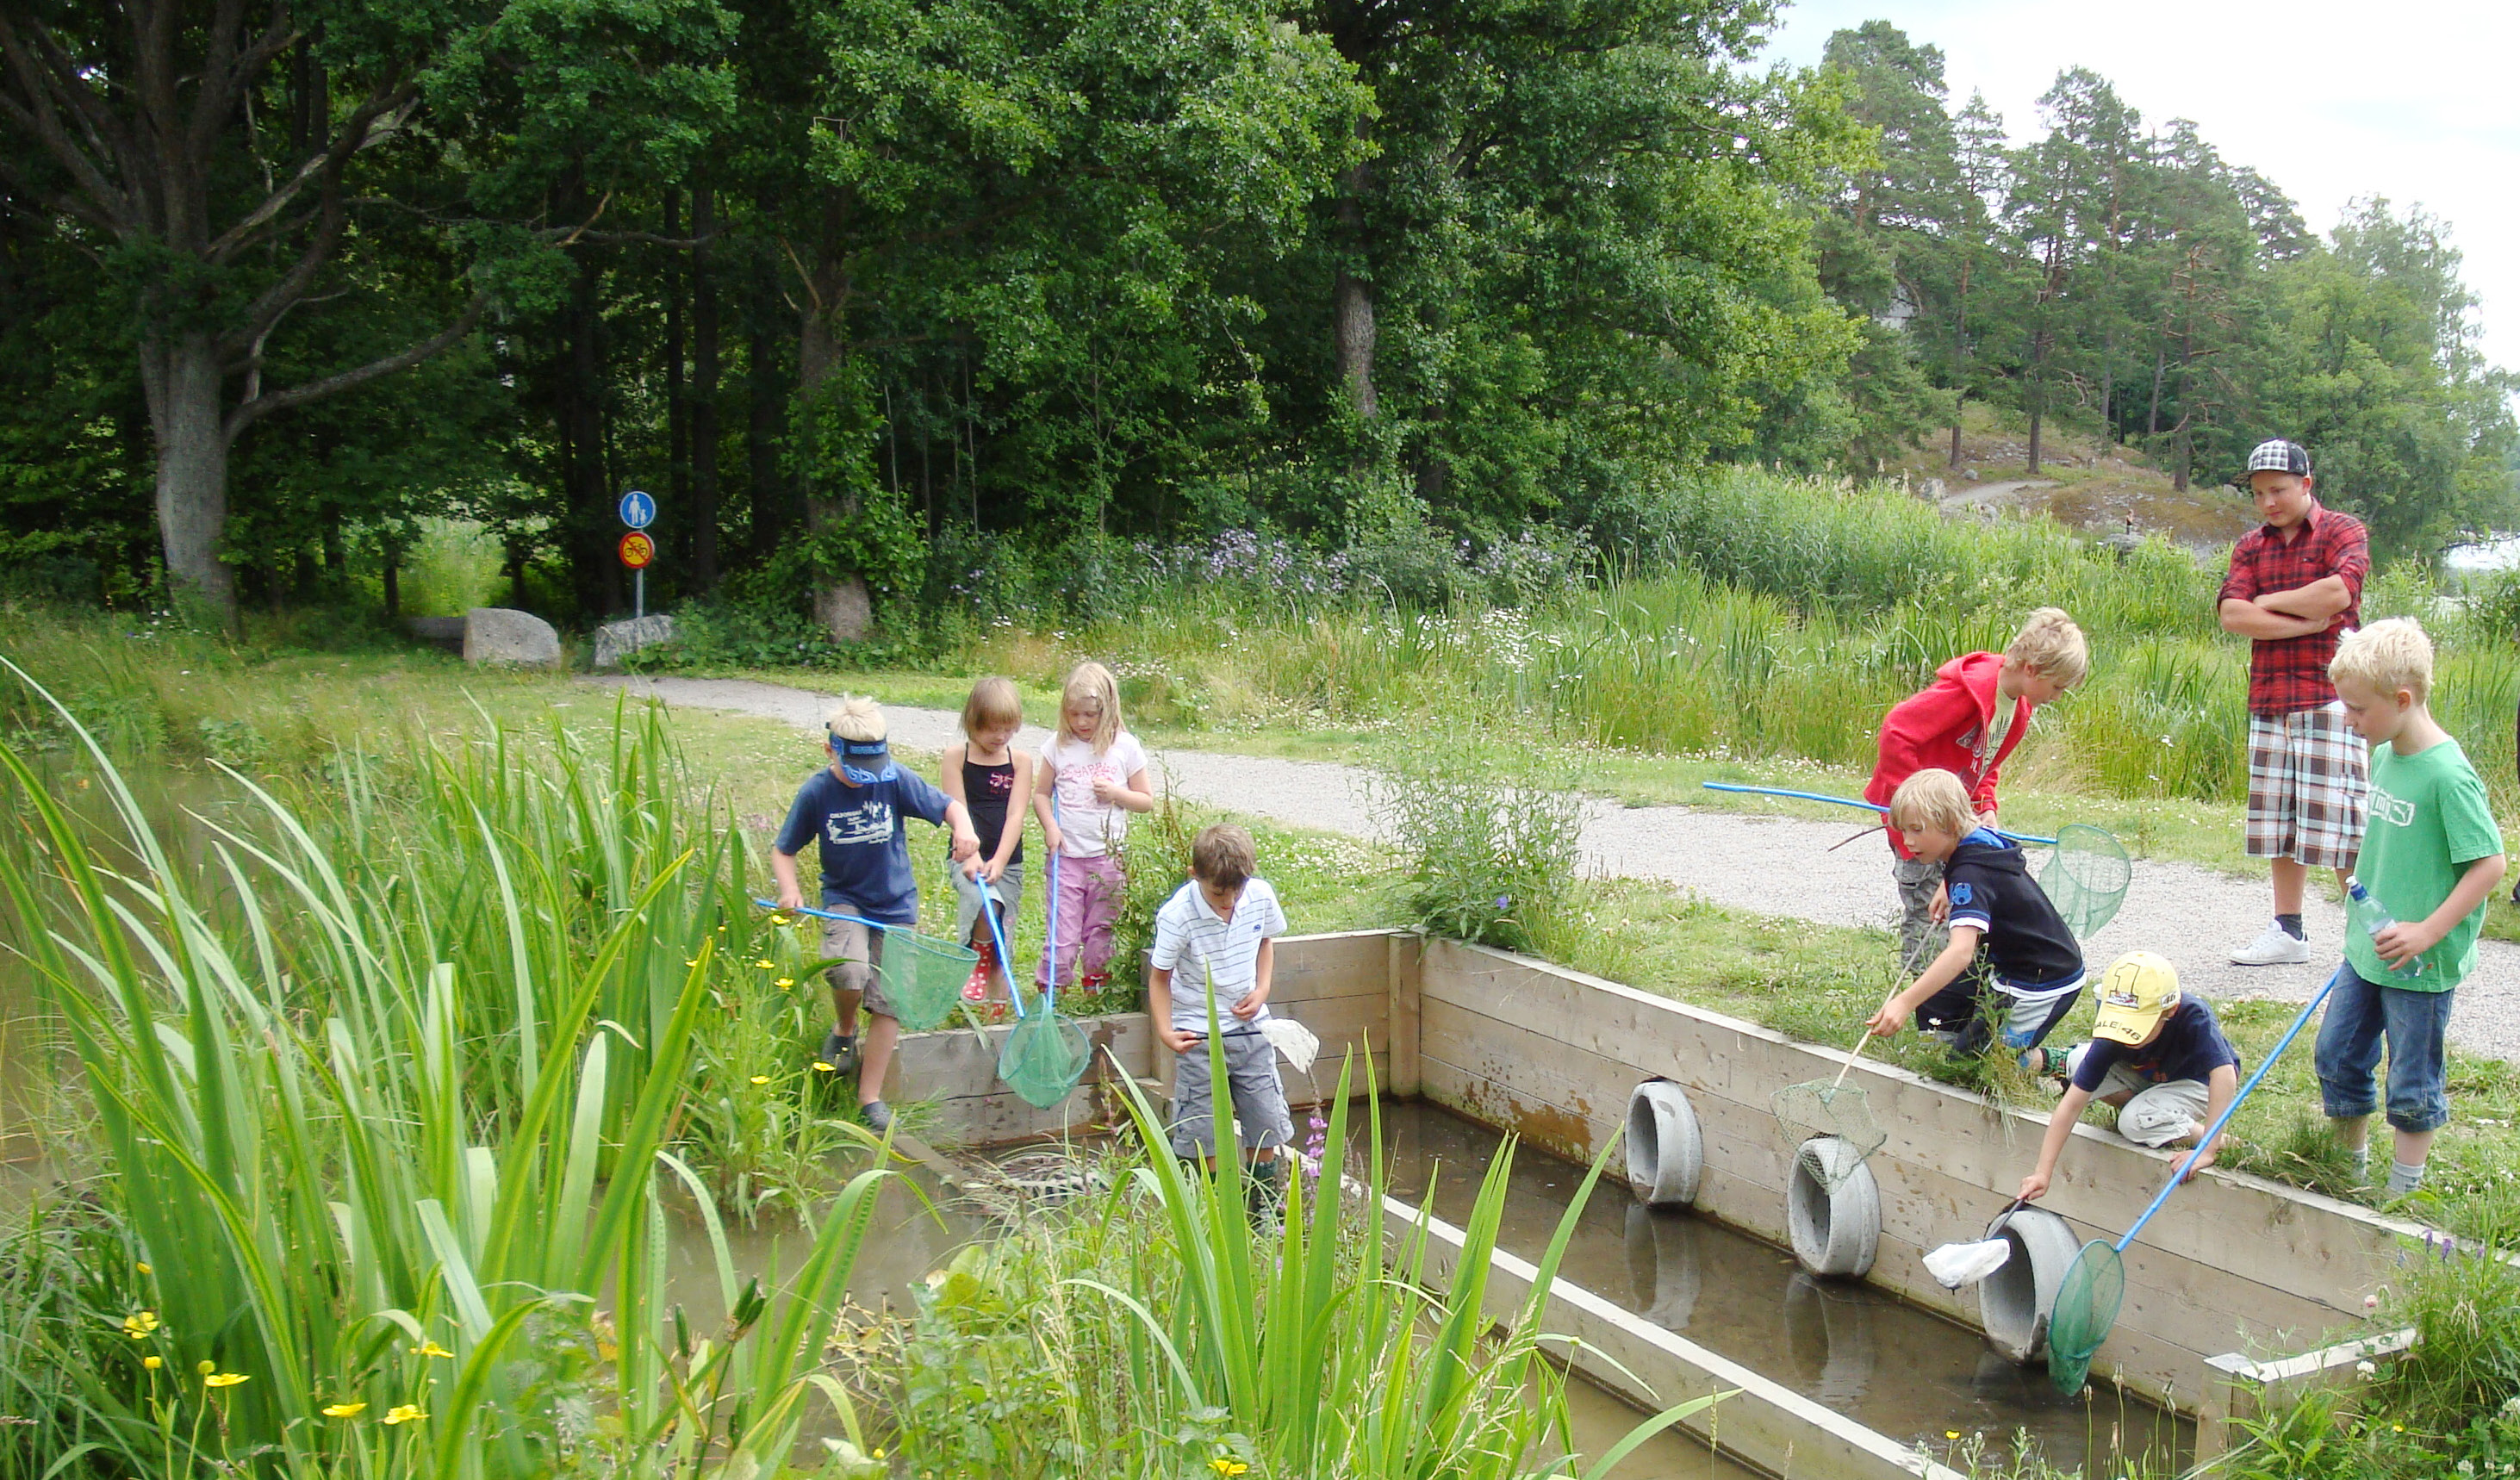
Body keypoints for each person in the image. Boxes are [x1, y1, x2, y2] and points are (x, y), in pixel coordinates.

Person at [2316, 619, 2506, 1196]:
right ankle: (2349, 1174)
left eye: (2356, 709)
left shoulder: (2448, 776)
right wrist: (2354, 876)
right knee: (2336, 1054)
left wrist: (2426, 931)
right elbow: (2386, 840)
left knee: (2410, 1077)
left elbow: (2489, 864)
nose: (2347, 720)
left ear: (2401, 700)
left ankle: (2404, 1192)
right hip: (2366, 948)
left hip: (2418, 964)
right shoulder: (2384, 756)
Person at [769, 696, 979, 1133]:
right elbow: (783, 849)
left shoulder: (894, 778)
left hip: (896, 906)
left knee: (890, 1002)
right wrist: (789, 889)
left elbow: (950, 807)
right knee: (849, 971)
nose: (867, 780)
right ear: (831, 751)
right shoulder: (816, 793)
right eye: (856, 771)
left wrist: (965, 831)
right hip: (846, 900)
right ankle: (844, 1029)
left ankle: (870, 1098)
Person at [1864, 608, 2088, 973]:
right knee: (1929, 909)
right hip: (1921, 826)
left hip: (1954, 824)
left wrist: (1986, 806)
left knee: (1965, 901)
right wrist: (1915, 809)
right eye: (2058, 686)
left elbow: (1986, 763)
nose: (2058, 696)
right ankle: (1923, 1002)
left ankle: (1959, 991)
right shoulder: (1969, 693)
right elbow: (1896, 731)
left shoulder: (2016, 710)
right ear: (2032, 669)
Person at [2218, 438, 2372, 966]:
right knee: (2278, 821)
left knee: (2344, 821)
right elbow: (2233, 616)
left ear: (2306, 485)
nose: (2268, 503)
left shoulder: (2342, 530)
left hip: (2333, 697)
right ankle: (2289, 931)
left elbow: (2337, 594)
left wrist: (2269, 602)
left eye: (2278, 490)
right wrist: (2303, 622)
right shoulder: (2249, 546)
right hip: (2270, 699)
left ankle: (2371, 932)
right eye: (2259, 493)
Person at [1864, 768, 2085, 1064]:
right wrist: (1948, 885)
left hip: (2042, 980)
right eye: (1903, 831)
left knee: (1975, 1066)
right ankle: (1947, 1050)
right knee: (1935, 1004)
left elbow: (1960, 953)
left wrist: (1903, 1002)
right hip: (2007, 963)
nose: (1908, 841)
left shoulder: (1970, 873)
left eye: (1917, 830)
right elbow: (1978, 847)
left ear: (1951, 823)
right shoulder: (1972, 841)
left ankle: (2061, 1061)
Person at [1148, 824, 1293, 1213]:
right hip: (1198, 1033)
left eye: (1237, 891)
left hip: (1250, 1029)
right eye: (1218, 893)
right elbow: (1160, 978)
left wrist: (1262, 989)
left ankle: (1260, 1212)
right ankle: (1215, 1212)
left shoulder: (1259, 897)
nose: (1229, 901)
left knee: (1265, 1121)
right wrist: (1166, 1032)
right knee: (1204, 1130)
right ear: (1195, 875)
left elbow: (1266, 942)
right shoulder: (1177, 916)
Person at [2019, 953, 2243, 1203]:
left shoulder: (2194, 1015)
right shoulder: (2114, 1033)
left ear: (2169, 1011)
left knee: (2133, 1123)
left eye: (2138, 1027)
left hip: (2196, 1084)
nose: (2125, 1036)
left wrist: (2207, 1150)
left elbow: (2225, 1075)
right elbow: (2070, 1106)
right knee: (2080, 1063)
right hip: (2148, 1078)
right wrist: (2042, 1173)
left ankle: (2219, 1139)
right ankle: (2151, 1109)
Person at [1033, 661, 1151, 993]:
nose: (1081, 722)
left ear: (1108, 710)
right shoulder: (1057, 746)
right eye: (1074, 714)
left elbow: (1145, 800)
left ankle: (1096, 990)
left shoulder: (1125, 747)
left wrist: (1116, 794)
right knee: (1062, 935)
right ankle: (1052, 992)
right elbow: (1041, 794)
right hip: (1066, 858)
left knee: (1100, 932)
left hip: (1108, 860)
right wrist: (1050, 827)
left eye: (1090, 714)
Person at [940, 676, 1033, 1013]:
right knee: (986, 906)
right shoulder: (956, 758)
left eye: (1007, 729)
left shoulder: (1019, 762)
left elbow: (1016, 815)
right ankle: (976, 956)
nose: (999, 737)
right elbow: (957, 809)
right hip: (966, 857)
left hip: (1009, 862)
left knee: (1003, 930)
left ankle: (995, 1007)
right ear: (972, 723)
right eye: (992, 729)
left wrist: (1001, 859)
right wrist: (974, 856)